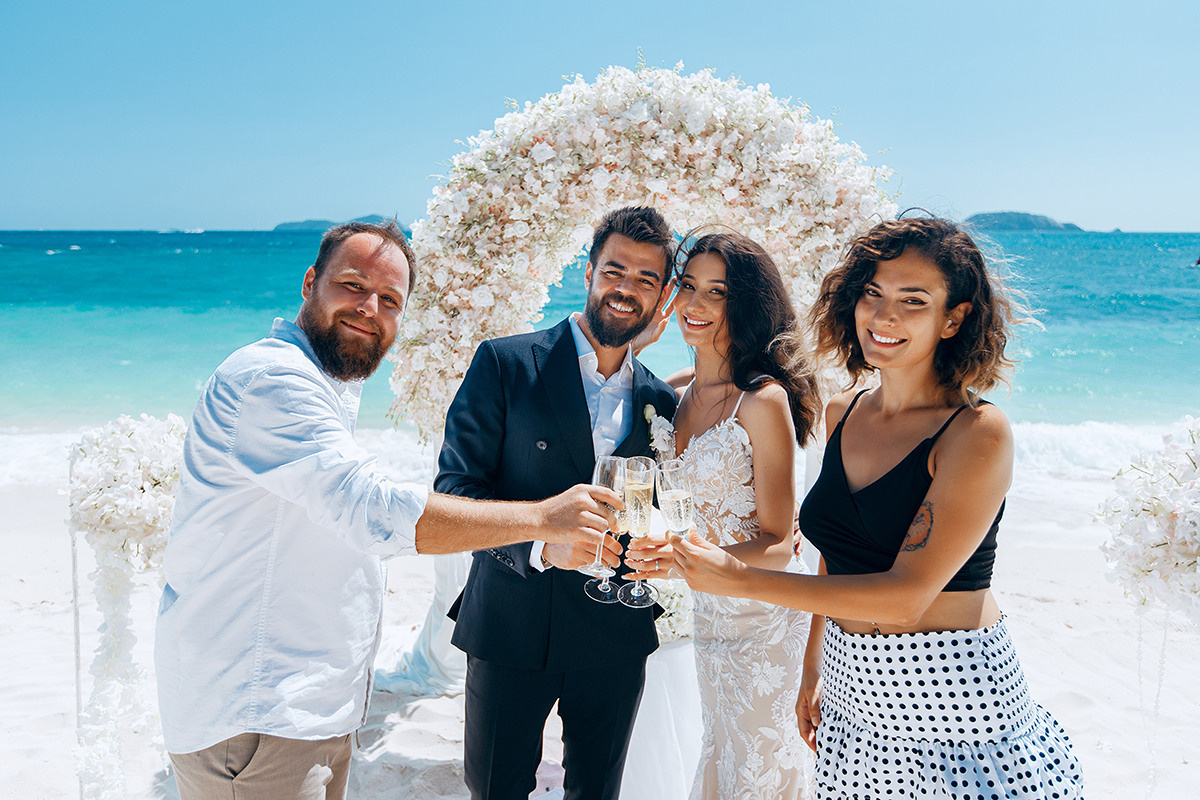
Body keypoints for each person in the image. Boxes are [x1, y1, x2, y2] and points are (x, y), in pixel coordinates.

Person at [155, 221, 621, 800]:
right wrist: (542, 519)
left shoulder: (324, 384)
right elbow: (369, 509)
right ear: (310, 282)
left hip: (307, 711)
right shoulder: (271, 378)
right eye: (352, 285)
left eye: (390, 300)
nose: (369, 308)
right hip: (256, 715)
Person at [672, 216, 1084, 799]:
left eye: (913, 300)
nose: (885, 316)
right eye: (873, 293)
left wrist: (740, 580)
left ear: (955, 318)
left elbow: (905, 596)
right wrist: (814, 663)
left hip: (952, 698)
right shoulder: (845, 411)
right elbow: (832, 554)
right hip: (849, 697)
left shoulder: (976, 432)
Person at [438, 206, 680, 800]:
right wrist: (544, 545)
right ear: (590, 271)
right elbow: (453, 493)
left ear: (664, 296)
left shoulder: (661, 401)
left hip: (615, 634)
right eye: (615, 271)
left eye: (646, 280)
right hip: (509, 623)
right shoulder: (505, 363)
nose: (626, 289)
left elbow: (661, 510)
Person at [630, 230, 819, 799]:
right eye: (689, 287)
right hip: (709, 617)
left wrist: (682, 566)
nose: (697, 304)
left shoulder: (762, 400)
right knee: (722, 754)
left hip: (765, 622)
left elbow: (780, 542)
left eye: (719, 292)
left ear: (747, 304)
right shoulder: (675, 391)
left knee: (759, 770)